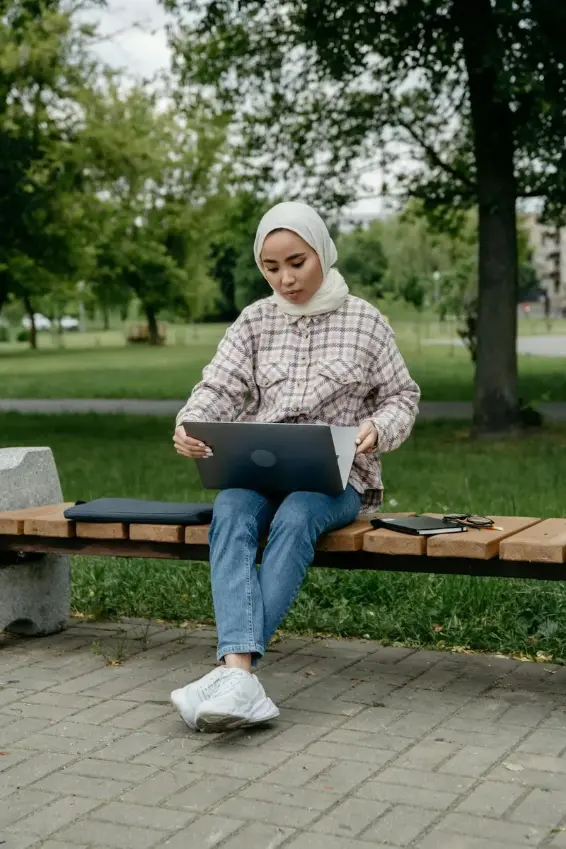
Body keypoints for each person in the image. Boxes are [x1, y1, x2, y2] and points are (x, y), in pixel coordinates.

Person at [171, 201, 420, 733]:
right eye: (271, 267)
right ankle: (241, 675)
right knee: (232, 507)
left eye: (297, 262)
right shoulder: (255, 322)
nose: (285, 278)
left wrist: (378, 429)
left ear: (323, 253)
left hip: (339, 479)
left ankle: (233, 673)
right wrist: (190, 424)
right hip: (259, 471)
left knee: (297, 515)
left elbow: (402, 396)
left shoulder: (365, 321)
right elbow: (219, 387)